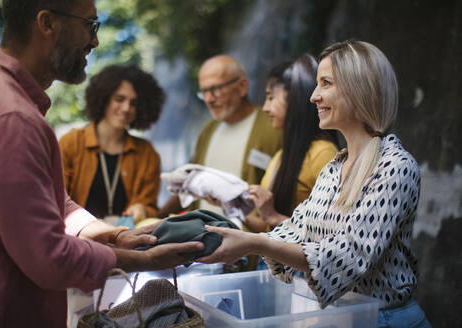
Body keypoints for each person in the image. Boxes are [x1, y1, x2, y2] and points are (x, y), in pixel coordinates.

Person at [0, 1, 203, 327]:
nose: (95, 41)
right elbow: (48, 256)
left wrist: (113, 234)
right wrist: (144, 259)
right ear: (47, 23)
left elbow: (48, 203)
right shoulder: (12, 119)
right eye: (90, 25)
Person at [198, 40, 431, 327]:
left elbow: (348, 257)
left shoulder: (395, 167)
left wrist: (254, 243)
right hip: (342, 318)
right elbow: (296, 231)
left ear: (359, 88)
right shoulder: (334, 169)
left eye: (325, 83)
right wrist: (218, 240)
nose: (313, 96)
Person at [158, 54, 282, 217]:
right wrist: (156, 217)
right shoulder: (209, 129)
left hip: (246, 237)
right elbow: (189, 182)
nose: (209, 99)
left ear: (242, 86)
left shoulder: (273, 127)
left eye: (215, 90)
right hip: (201, 233)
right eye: (204, 92)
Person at [59, 64, 164, 225]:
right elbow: (56, 197)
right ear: (104, 98)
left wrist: (142, 209)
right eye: (119, 99)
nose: (126, 108)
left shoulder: (147, 153)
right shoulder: (71, 143)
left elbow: (150, 207)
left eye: (134, 103)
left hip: (128, 240)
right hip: (80, 240)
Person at [245, 55, 338, 233]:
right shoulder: (280, 156)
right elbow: (269, 230)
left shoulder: (322, 153)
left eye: (271, 98)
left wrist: (273, 216)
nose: (265, 107)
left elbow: (331, 237)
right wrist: (232, 208)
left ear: (294, 100)